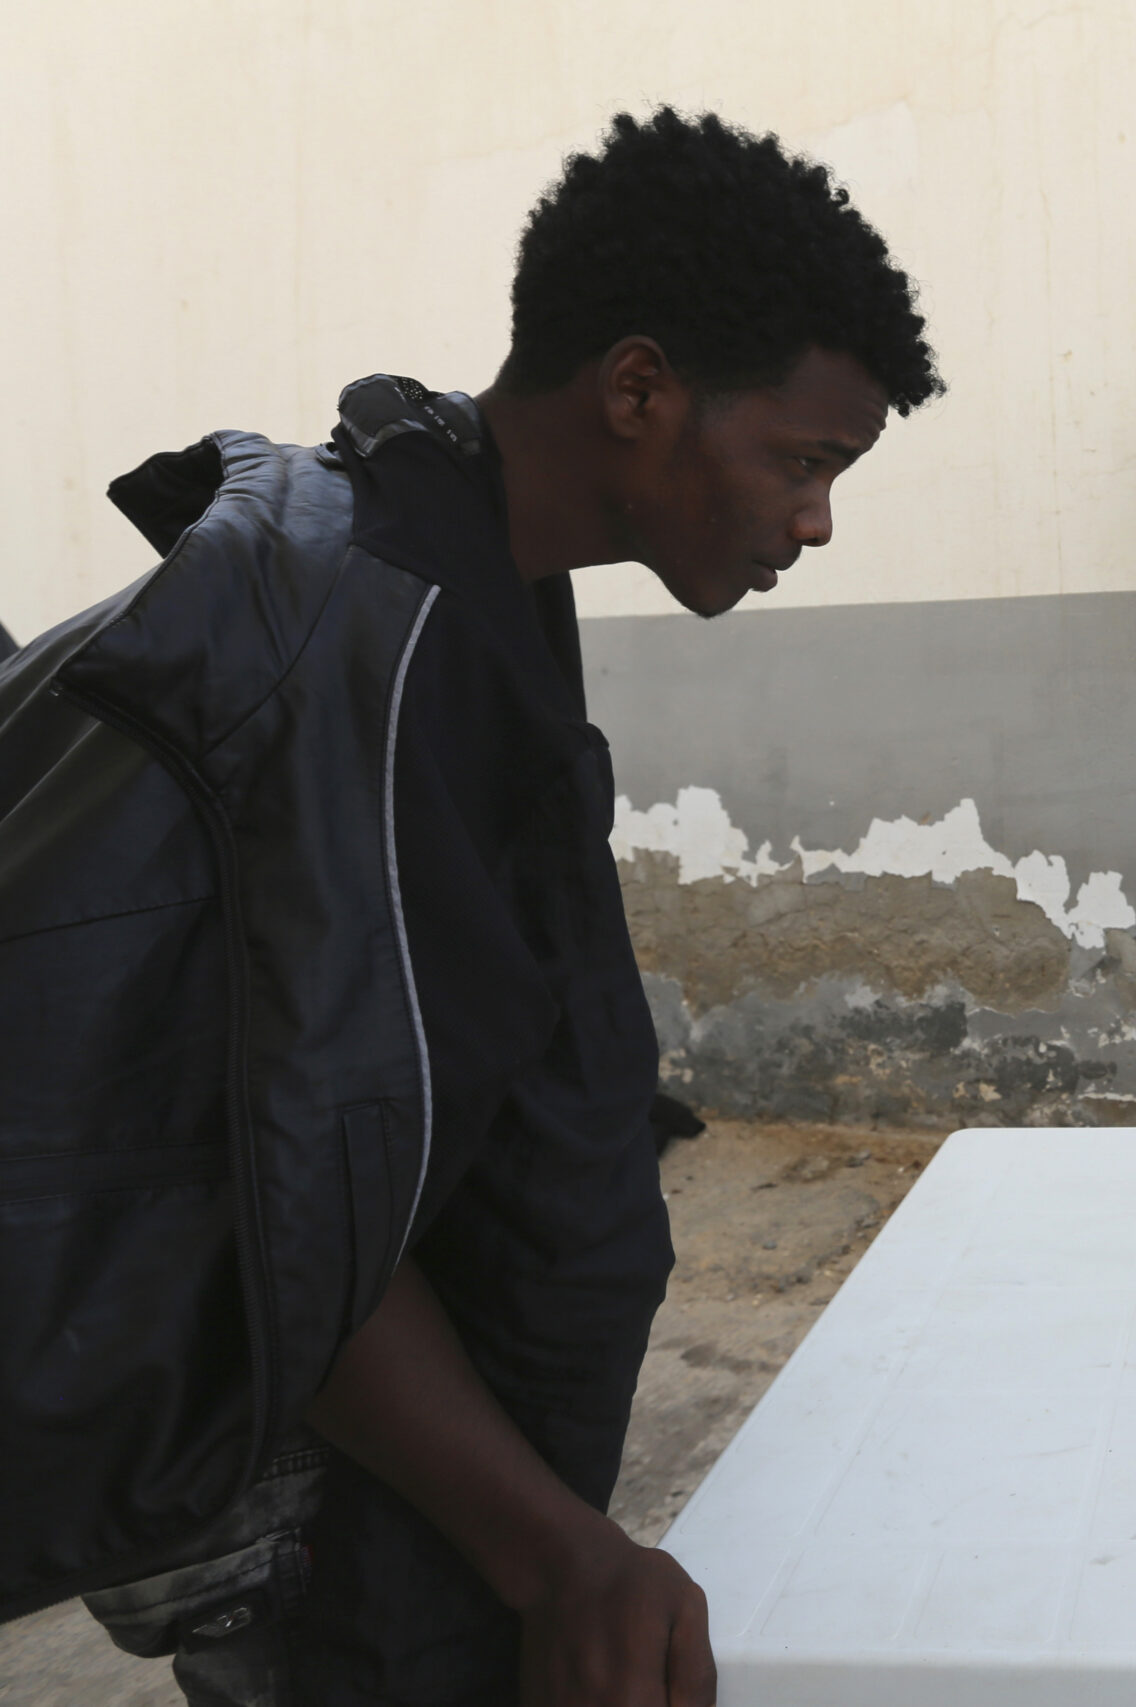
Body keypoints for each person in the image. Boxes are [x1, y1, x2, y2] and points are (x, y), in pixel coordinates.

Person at [0, 110, 940, 1705]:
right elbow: (293, 1194)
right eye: (802, 459)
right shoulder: (385, 641)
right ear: (639, 391)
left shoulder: (474, 561)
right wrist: (551, 1551)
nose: (815, 517)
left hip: (471, 1505)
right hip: (368, 1536)